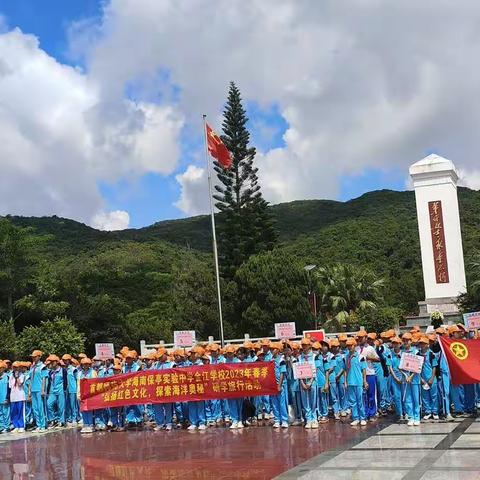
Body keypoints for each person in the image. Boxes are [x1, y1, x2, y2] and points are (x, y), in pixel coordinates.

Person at [345, 338, 367, 427]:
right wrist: (346, 382)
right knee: (352, 401)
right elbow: (345, 370)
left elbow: (364, 369)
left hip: (358, 382)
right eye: (348, 346)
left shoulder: (361, 357)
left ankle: (362, 418)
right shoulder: (346, 357)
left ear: (354, 346)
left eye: (351, 345)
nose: (349, 347)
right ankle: (355, 418)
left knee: (360, 400)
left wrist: (364, 381)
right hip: (350, 382)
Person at [418, 336, 439, 420]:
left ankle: (435, 412)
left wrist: (432, 378)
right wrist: (420, 379)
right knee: (425, 396)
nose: (422, 345)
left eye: (424, 343)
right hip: (422, 379)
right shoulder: (418, 354)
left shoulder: (431, 354)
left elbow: (434, 367)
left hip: (431, 379)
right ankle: (427, 411)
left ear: (427, 345)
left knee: (434, 395)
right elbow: (416, 368)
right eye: (421, 343)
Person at [298, 337, 317, 429]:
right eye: (303, 345)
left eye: (305, 345)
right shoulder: (299, 358)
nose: (304, 347)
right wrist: (302, 382)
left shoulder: (314, 356)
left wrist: (310, 382)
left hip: (312, 381)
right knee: (305, 401)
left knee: (313, 401)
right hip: (302, 381)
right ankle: (308, 419)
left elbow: (315, 370)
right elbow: (298, 371)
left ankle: (314, 419)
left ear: (310, 345)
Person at [29, 350, 48, 432]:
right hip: (33, 389)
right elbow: (30, 379)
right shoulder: (32, 367)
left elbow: (44, 378)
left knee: (40, 407)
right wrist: (29, 391)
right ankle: (38, 425)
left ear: (39, 357)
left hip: (39, 389)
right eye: (32, 357)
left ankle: (42, 425)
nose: (33, 358)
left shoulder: (43, 367)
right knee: (35, 408)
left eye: (35, 357)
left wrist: (43, 389)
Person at [270, 342, 288, 428]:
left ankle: (284, 420)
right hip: (272, 385)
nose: (271, 350)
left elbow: (282, 373)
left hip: (280, 385)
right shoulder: (270, 360)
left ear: (277, 350)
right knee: (274, 403)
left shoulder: (281, 360)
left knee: (281, 402)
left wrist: (279, 385)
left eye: (273, 349)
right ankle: (277, 420)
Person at [46, 355, 67, 428]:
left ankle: (62, 421)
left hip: (60, 390)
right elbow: (49, 382)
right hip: (53, 391)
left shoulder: (63, 370)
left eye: (53, 362)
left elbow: (65, 381)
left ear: (57, 362)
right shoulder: (51, 372)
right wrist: (48, 392)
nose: (51, 363)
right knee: (49, 404)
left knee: (61, 406)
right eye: (50, 362)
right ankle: (53, 419)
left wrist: (64, 389)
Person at [78, 358, 96, 433]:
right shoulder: (79, 373)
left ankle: (91, 424)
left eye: (87, 364)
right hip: (82, 394)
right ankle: (85, 424)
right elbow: (78, 384)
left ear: (89, 365)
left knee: (89, 409)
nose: (85, 365)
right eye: (84, 364)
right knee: (83, 409)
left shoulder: (93, 372)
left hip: (90, 394)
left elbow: (95, 383)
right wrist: (78, 394)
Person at [9, 361, 26, 433]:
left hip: (20, 396)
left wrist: (17, 377)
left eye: (16, 367)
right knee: (14, 412)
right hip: (13, 396)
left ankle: (21, 426)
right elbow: (10, 386)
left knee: (20, 411)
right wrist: (14, 377)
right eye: (14, 367)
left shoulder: (22, 375)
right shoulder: (10, 376)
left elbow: (20, 384)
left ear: (19, 368)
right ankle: (16, 426)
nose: (15, 369)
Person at [0, 361, 10, 433]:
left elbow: (9, 388)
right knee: (0, 413)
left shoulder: (7, 376)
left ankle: (7, 427)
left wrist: (8, 397)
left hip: (5, 398)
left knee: (6, 413)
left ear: (3, 368)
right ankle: (2, 426)